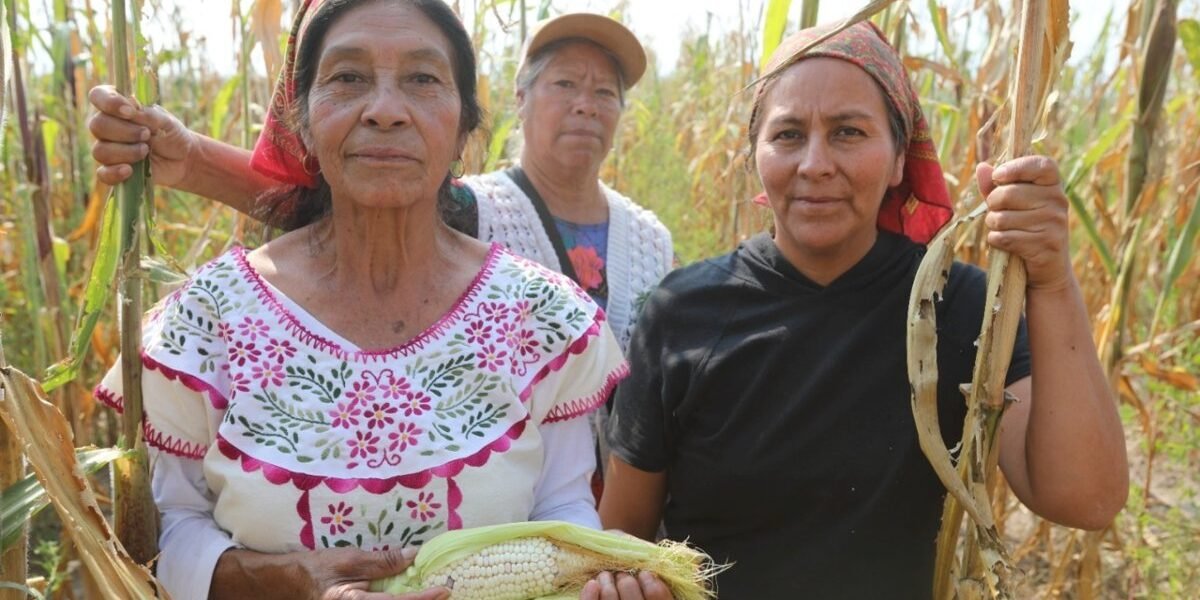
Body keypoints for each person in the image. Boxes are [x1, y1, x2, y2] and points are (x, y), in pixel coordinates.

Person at [92, 1, 667, 598]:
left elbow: (564, 507)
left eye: (422, 79)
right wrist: (286, 581)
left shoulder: (539, 315)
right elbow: (172, 529)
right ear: (304, 122)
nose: (386, 111)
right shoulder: (211, 319)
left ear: (465, 125)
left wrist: (593, 583)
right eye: (348, 78)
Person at [598, 21, 1129, 598]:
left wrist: (1050, 279)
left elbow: (1086, 498)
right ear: (755, 155)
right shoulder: (682, 313)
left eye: (848, 132)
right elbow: (623, 541)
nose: (816, 163)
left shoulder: (959, 308)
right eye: (789, 134)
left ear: (900, 158)